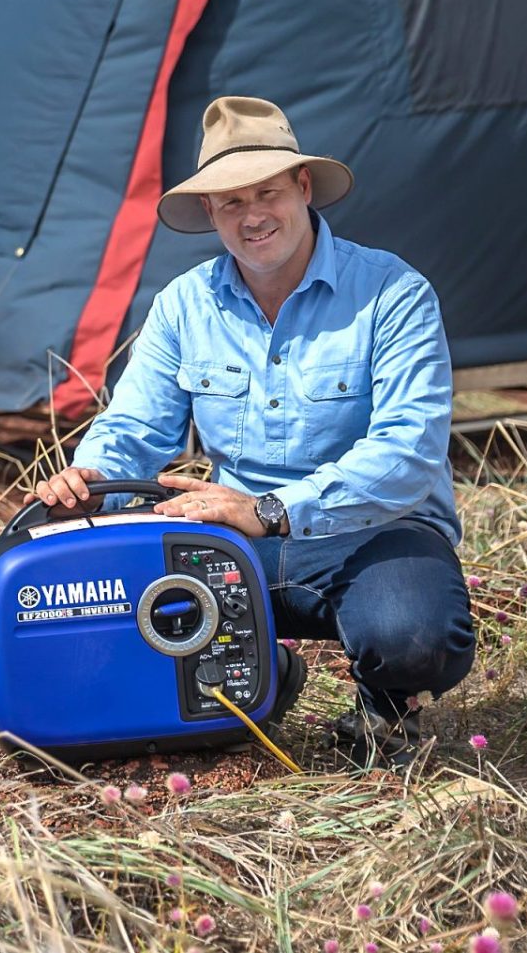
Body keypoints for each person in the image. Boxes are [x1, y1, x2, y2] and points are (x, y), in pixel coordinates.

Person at [33, 95, 474, 770]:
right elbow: (134, 426)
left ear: (303, 187)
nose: (252, 216)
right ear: (209, 213)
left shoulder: (392, 291)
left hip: (373, 532)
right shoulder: (184, 304)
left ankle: (385, 707)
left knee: (413, 635)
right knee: (114, 594)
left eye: (266, 193)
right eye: (230, 203)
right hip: (234, 540)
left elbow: (408, 455)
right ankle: (258, 679)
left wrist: (270, 510)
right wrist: (91, 478)